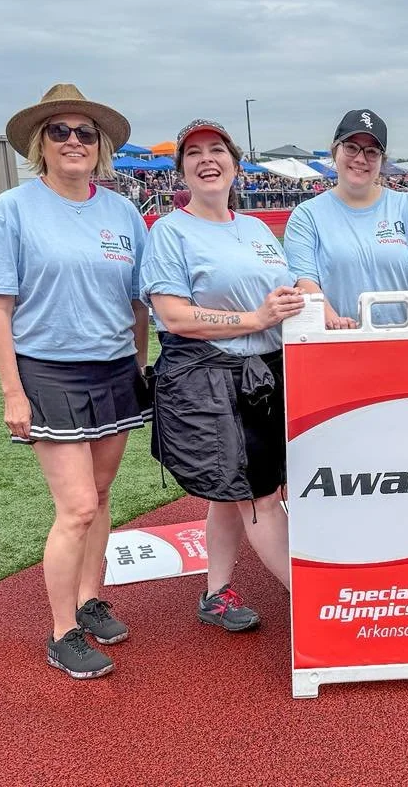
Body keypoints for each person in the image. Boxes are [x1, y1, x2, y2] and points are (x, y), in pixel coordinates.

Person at [0, 84, 150, 679]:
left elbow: (138, 303)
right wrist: (12, 391)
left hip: (113, 370)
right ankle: (61, 632)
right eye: (60, 131)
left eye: (85, 133)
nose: (74, 141)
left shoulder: (123, 212)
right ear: (40, 144)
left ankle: (88, 598)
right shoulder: (15, 208)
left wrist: (138, 362)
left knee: (102, 498)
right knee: (75, 506)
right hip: (48, 370)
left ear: (99, 146)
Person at [140, 119, 304, 632]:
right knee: (258, 495)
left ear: (235, 163)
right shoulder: (171, 231)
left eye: (217, 150)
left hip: (266, 372)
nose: (207, 159)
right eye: (194, 153)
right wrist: (254, 319)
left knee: (231, 493)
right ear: (182, 170)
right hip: (210, 379)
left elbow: (287, 294)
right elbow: (173, 316)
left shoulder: (255, 228)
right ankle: (318, 603)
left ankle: (215, 593)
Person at [283, 110, 408, 328]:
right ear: (335, 151)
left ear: (382, 160)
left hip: (405, 340)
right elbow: (305, 281)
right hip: (341, 343)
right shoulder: (306, 216)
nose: (360, 159)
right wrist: (333, 321)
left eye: (371, 152)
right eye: (351, 147)